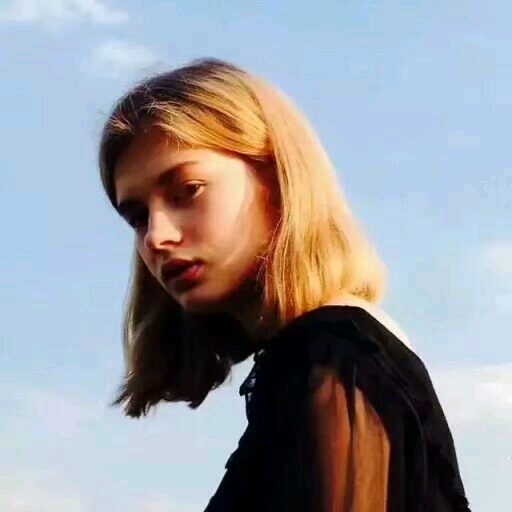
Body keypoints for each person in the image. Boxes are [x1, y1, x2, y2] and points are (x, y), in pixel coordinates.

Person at [98, 58, 471, 511]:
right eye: (137, 217)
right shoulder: (331, 356)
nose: (156, 237)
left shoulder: (331, 356)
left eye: (188, 189)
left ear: (276, 179)